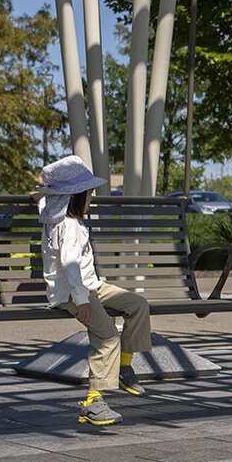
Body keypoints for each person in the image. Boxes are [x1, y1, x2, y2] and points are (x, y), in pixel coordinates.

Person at [37, 156, 152, 426]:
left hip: (92, 286)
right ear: (75, 197)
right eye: (89, 194)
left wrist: (43, 193)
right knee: (108, 337)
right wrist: (82, 301)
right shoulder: (70, 227)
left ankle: (124, 366)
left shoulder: (55, 217)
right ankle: (93, 401)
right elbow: (70, 264)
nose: (92, 199)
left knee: (138, 304)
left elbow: (42, 200)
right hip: (74, 293)